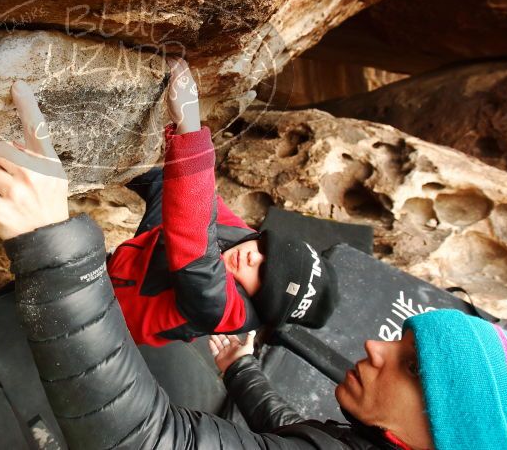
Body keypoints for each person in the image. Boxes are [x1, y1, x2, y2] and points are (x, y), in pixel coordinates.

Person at [0, 79, 507, 449]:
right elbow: (297, 432)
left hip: (117, 299)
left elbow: (147, 438)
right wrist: (242, 369)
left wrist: (52, 242)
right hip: (141, 267)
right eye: (401, 341)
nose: (376, 346)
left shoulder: (218, 300)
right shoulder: (366, 433)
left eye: (411, 368)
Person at [107, 57, 337, 346]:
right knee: (164, 186)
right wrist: (114, 169)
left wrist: (189, 126)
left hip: (111, 313)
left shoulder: (227, 312)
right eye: (268, 249)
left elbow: (195, 249)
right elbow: (203, 204)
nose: (254, 257)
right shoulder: (245, 242)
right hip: (137, 262)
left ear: (263, 302)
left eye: (264, 274)